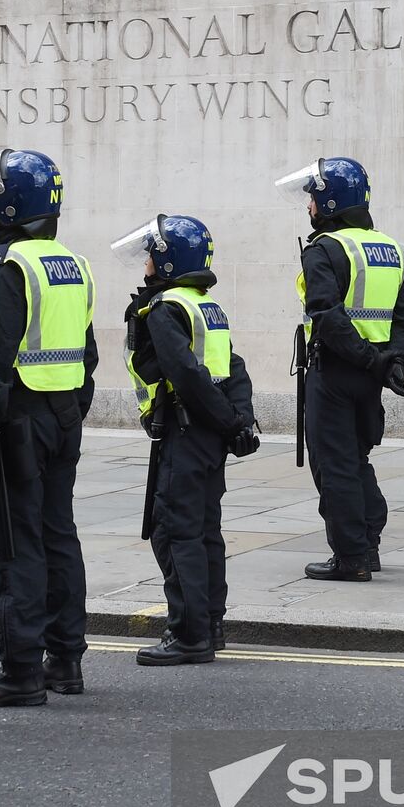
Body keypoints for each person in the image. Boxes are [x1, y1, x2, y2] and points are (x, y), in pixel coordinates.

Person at [0, 148, 97, 706]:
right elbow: (89, 354)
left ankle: (19, 670)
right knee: (59, 536)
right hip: (61, 414)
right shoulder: (72, 265)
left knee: (14, 543)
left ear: (10, 206)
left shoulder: (8, 269)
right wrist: (71, 414)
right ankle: (66, 660)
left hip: (17, 417)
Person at [112, 214, 258, 665]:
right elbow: (232, 367)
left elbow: (187, 375)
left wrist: (230, 423)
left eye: (152, 257)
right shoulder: (204, 305)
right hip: (208, 434)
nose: (146, 266)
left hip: (184, 429)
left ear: (168, 260)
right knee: (203, 529)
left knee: (175, 533)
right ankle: (210, 625)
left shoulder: (164, 309)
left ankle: (189, 634)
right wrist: (238, 421)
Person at [275, 156, 404, 581]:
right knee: (357, 459)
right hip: (371, 375)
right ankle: (367, 542)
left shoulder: (324, 249)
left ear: (332, 201)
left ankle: (352, 557)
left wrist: (369, 359)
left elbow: (326, 314)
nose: (309, 207)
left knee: (334, 465)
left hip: (337, 370)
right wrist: (396, 361)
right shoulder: (390, 248)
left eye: (314, 199)